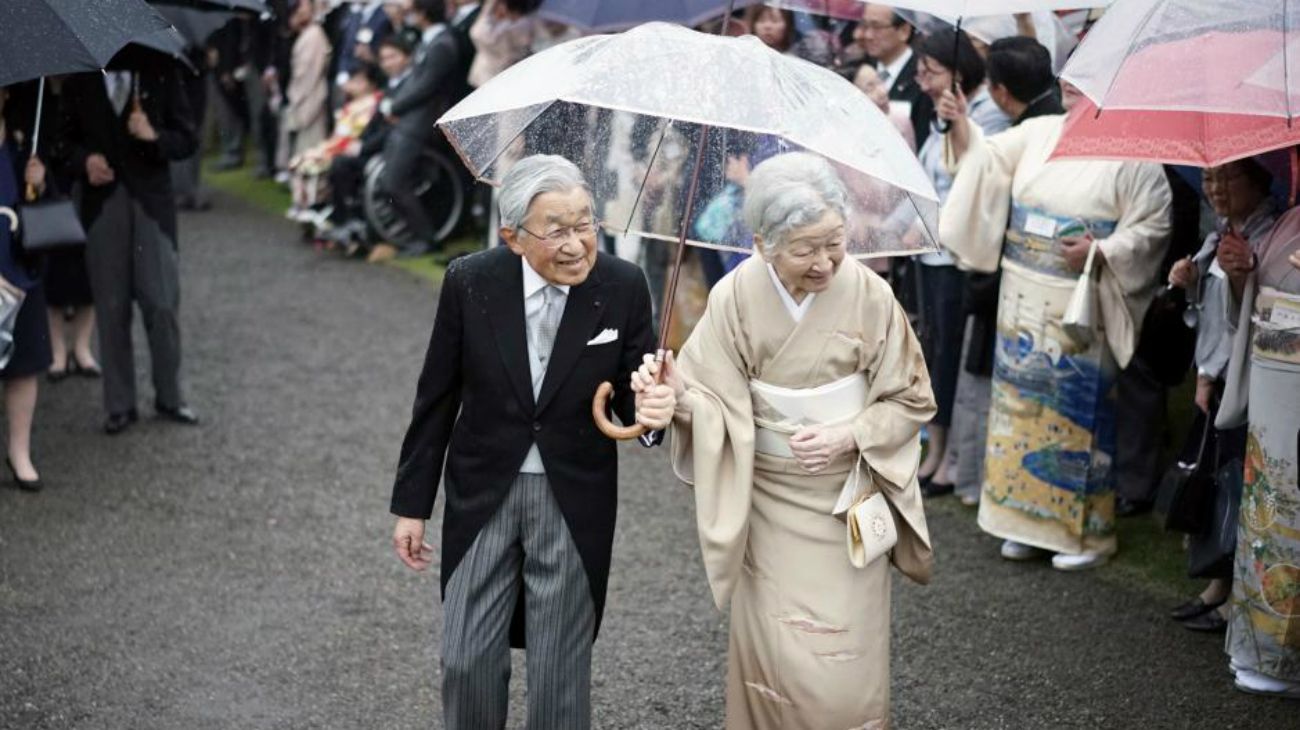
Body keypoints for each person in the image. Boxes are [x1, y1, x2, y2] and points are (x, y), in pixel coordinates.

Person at [638, 152, 934, 728]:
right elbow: (711, 402)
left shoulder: (870, 294)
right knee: (777, 655)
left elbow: (911, 398)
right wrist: (673, 399)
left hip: (844, 501)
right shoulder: (734, 297)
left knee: (842, 660)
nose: (824, 262)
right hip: (769, 502)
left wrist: (851, 433)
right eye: (805, 248)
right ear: (761, 242)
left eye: (836, 242)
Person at [389, 155, 670, 728]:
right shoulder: (471, 280)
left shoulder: (622, 285)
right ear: (512, 236)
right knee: (465, 659)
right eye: (557, 230)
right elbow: (436, 397)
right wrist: (412, 507)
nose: (576, 245)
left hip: (573, 496)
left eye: (585, 224)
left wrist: (655, 409)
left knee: (559, 672)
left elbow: (633, 401)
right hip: (483, 490)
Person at [938, 81, 1172, 570]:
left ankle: (1080, 535)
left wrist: (1103, 250)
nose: (1071, 85)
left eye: (1084, 80)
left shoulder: (1134, 152)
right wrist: (959, 123)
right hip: (1022, 293)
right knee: (1018, 408)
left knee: (1074, 410)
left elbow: (1152, 226)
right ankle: (1019, 521)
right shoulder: (1039, 132)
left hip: (1081, 297)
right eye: (1069, 76)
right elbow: (983, 160)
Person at [947, 36, 1061, 507]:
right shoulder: (1057, 124)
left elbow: (976, 178)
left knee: (1015, 393)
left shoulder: (1025, 136)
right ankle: (999, 487)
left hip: (1020, 279)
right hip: (1048, 285)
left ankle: (1000, 488)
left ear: (999, 92)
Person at [1165, 159, 1278, 634]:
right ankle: (1217, 586)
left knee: (1235, 482)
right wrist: (1190, 284)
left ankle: (1233, 593)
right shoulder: (1219, 235)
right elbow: (1208, 315)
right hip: (1218, 375)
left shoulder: (1267, 236)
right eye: (1208, 179)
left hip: (1248, 379)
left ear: (1257, 180)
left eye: (1225, 178)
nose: (1213, 189)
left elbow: (1249, 316)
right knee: (1215, 481)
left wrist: (1239, 277)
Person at [59, 68, 199, 435]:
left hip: (151, 204)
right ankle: (119, 405)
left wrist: (154, 137)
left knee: (162, 301)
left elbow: (187, 138)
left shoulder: (161, 71)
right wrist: (85, 161)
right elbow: (63, 143)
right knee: (111, 306)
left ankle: (170, 396)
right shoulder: (80, 79)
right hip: (103, 206)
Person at [911, 28, 1010, 498]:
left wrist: (962, 124)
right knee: (934, 350)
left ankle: (950, 456)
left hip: (958, 256)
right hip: (929, 253)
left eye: (931, 71)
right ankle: (937, 447)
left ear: (957, 71)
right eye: (921, 71)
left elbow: (977, 171)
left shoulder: (984, 112)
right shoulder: (939, 114)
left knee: (951, 354)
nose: (922, 80)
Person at [1215, 197, 1300, 699]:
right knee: (1269, 509)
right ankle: (1259, 648)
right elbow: (1254, 303)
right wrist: (1242, 273)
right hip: (1274, 389)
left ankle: (1291, 661)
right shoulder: (1289, 218)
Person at [373, 0, 465, 258]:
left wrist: (395, 106)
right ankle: (414, 235)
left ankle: (425, 238)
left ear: (423, 13)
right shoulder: (431, 41)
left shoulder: (442, 44)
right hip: (409, 120)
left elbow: (427, 85)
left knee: (395, 182)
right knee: (391, 181)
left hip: (420, 123)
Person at [0, 86, 54, 491]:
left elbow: (42, 204)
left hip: (19, 267)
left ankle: (20, 452)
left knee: (24, 363)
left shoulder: (24, 133)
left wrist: (38, 182)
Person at [858, 5, 930, 148]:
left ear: (904, 31)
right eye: (865, 25)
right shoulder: (860, 69)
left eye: (877, 27)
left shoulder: (923, 77)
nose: (868, 35)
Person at [284, 0, 332, 168]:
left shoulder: (315, 34)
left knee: (312, 148)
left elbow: (309, 74)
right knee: (303, 147)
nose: (301, 11)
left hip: (312, 95)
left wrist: (297, 96)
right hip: (301, 95)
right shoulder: (306, 34)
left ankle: (314, 188)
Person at [467, 0, 537, 89]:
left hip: (500, 77)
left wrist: (488, 8)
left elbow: (477, 33)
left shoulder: (519, 26)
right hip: (486, 75)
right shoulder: (502, 22)